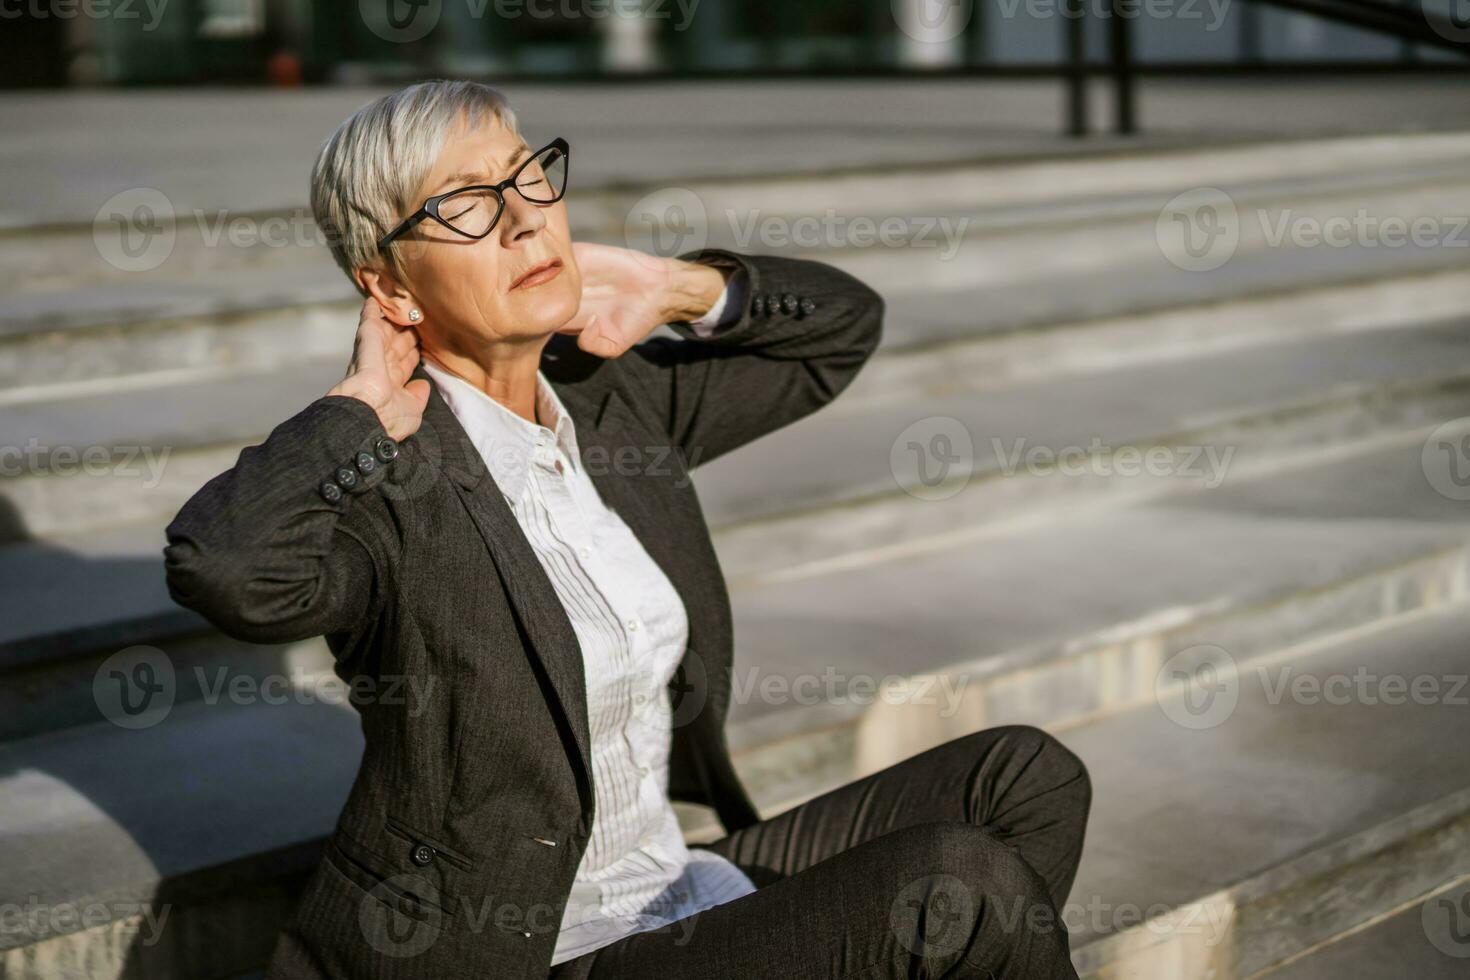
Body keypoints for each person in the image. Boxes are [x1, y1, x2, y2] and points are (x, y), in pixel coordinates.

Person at [162, 78, 1091, 979]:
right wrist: (357, 408)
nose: (526, 216)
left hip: (672, 890)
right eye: (467, 205)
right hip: (535, 951)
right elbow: (226, 566)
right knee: (956, 891)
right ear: (393, 289)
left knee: (1024, 777)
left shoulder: (610, 401)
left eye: (528, 176)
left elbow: (841, 331)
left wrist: (678, 286)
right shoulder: (385, 483)